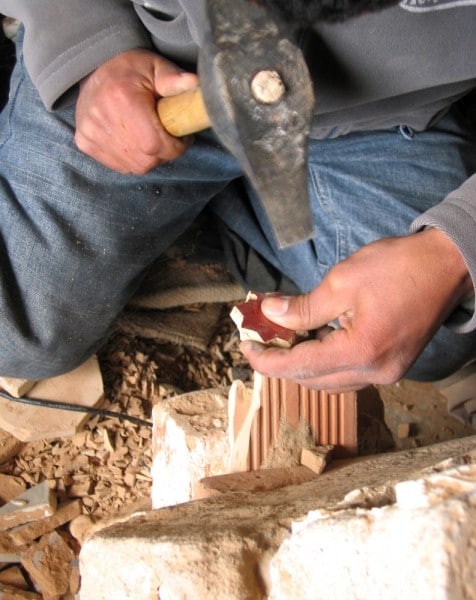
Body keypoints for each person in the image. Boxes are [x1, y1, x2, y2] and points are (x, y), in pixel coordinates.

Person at [0, 1, 475, 423]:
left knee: (430, 341)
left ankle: (205, 224)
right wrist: (86, 42)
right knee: (17, 334)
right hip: (149, 76)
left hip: (377, 120)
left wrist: (457, 244)